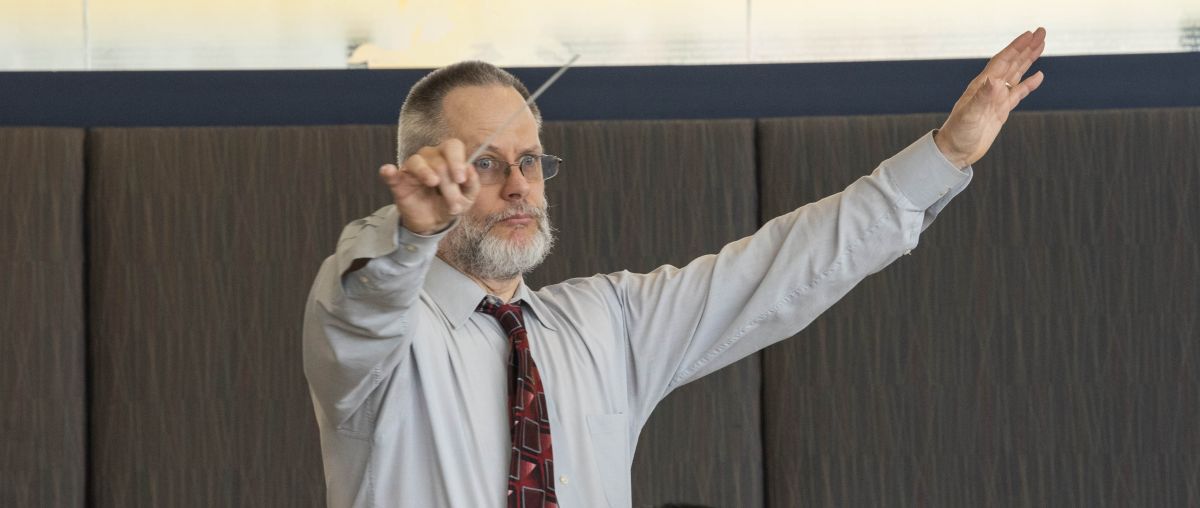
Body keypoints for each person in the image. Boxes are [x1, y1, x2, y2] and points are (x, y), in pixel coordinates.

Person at [303, 28, 1048, 508]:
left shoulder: (604, 322)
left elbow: (784, 269)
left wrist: (945, 157)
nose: (520, 184)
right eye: (487, 163)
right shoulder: (378, 338)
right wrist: (409, 232)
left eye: (531, 160)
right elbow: (363, 303)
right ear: (426, 172)